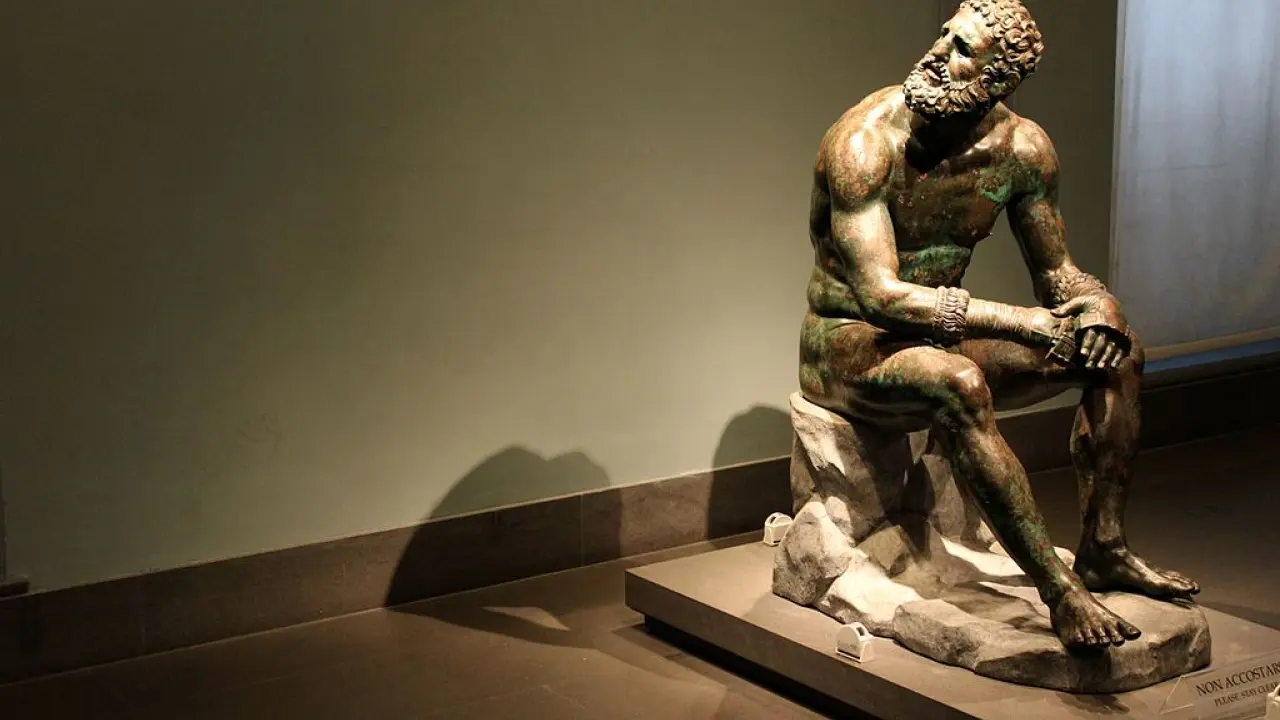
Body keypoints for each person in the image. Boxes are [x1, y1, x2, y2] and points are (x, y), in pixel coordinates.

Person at [800, 0, 1198, 649]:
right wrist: (1023, 322)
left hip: (940, 333)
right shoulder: (864, 142)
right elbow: (880, 296)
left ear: (998, 79)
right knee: (957, 381)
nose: (936, 52)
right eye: (944, 35)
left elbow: (1057, 273)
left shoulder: (1022, 151)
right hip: (846, 343)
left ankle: (1103, 546)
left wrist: (1099, 308)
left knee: (1117, 355)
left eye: (961, 49)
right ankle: (1059, 591)